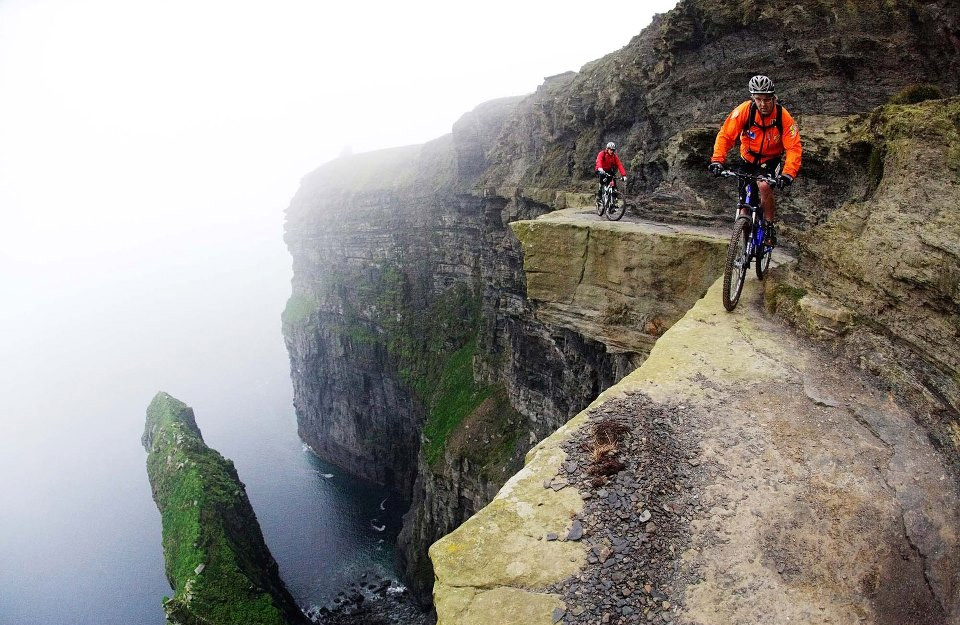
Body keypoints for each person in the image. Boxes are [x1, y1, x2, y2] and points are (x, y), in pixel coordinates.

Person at [708, 75, 802, 243]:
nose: (762, 104)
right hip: (748, 159)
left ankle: (768, 226)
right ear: (753, 98)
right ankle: (742, 247)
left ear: (773, 98)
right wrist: (717, 160)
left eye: (766, 99)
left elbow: (793, 148)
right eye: (758, 99)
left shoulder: (783, 117)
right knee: (744, 206)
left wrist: (788, 173)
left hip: (770, 160)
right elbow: (726, 136)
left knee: (764, 184)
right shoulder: (745, 110)